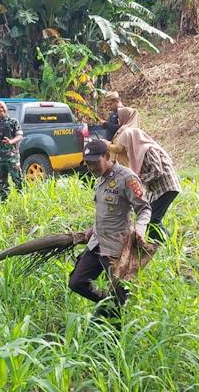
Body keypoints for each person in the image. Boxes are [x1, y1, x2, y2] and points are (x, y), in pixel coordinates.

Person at [69, 139, 150, 318]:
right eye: (88, 164)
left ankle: (112, 319)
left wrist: (140, 228)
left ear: (107, 156)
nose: (91, 168)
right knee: (77, 282)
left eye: (94, 163)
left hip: (116, 248)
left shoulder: (127, 178)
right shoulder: (99, 179)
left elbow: (145, 209)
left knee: (119, 294)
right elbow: (105, 211)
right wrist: (91, 229)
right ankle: (108, 301)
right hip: (97, 242)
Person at [109, 107, 181, 243]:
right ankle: (166, 242)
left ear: (132, 141)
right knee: (151, 217)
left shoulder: (149, 149)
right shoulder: (140, 152)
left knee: (153, 219)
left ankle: (167, 243)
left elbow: (157, 171)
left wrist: (140, 179)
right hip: (160, 189)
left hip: (167, 187)